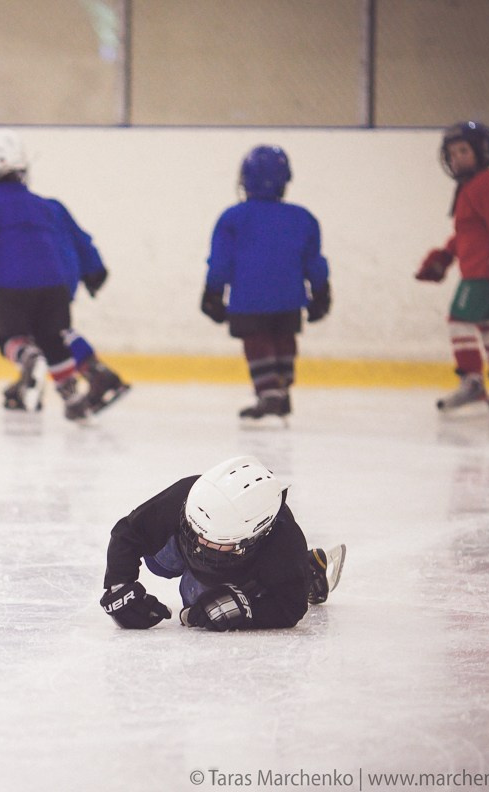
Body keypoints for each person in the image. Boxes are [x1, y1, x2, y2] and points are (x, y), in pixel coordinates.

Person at [0, 129, 129, 421]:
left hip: (12, 283)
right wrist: (94, 271)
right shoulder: (44, 205)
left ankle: (30, 361)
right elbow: (76, 239)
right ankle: (73, 398)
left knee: (12, 340)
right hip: (55, 285)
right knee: (54, 339)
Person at [99, 455, 345, 631]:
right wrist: (118, 586)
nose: (198, 542)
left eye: (215, 540)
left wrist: (248, 610)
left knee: (201, 604)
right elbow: (129, 531)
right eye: (193, 527)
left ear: (253, 538)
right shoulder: (187, 493)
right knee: (160, 562)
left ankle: (307, 570)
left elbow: (291, 607)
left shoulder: (283, 543)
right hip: (221, 559)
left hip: (243, 571)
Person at [200, 145, 331, 420]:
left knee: (257, 342)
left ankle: (269, 392)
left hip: (249, 300)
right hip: (290, 299)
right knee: (284, 340)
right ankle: (281, 390)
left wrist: (213, 292)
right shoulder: (302, 218)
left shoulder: (232, 218)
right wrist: (321, 292)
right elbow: (313, 261)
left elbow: (221, 261)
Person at [416, 121, 489, 416]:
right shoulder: (471, 187)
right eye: (452, 153)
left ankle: (472, 383)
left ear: (482, 151)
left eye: (463, 151)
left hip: (484, 272)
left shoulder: (486, 184)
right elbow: (469, 232)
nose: (457, 158)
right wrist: (446, 255)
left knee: (459, 320)